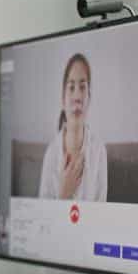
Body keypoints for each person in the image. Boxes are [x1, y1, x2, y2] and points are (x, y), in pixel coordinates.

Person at [38, 53, 107, 201]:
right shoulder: (51, 154)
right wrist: (64, 194)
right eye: (71, 88)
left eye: (82, 87)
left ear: (89, 98)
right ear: (63, 100)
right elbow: (43, 219)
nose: (77, 96)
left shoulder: (99, 150)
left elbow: (102, 213)